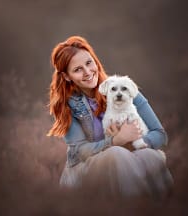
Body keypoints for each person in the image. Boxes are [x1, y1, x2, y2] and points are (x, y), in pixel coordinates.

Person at [48, 36, 173, 197]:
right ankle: (131, 208)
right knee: (116, 154)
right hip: (85, 168)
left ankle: (160, 208)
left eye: (89, 63)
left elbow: (160, 134)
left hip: (129, 155)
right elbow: (81, 151)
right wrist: (115, 141)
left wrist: (136, 142)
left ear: (95, 60)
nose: (87, 72)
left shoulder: (124, 88)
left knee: (149, 156)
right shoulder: (67, 105)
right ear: (66, 76)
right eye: (77, 69)